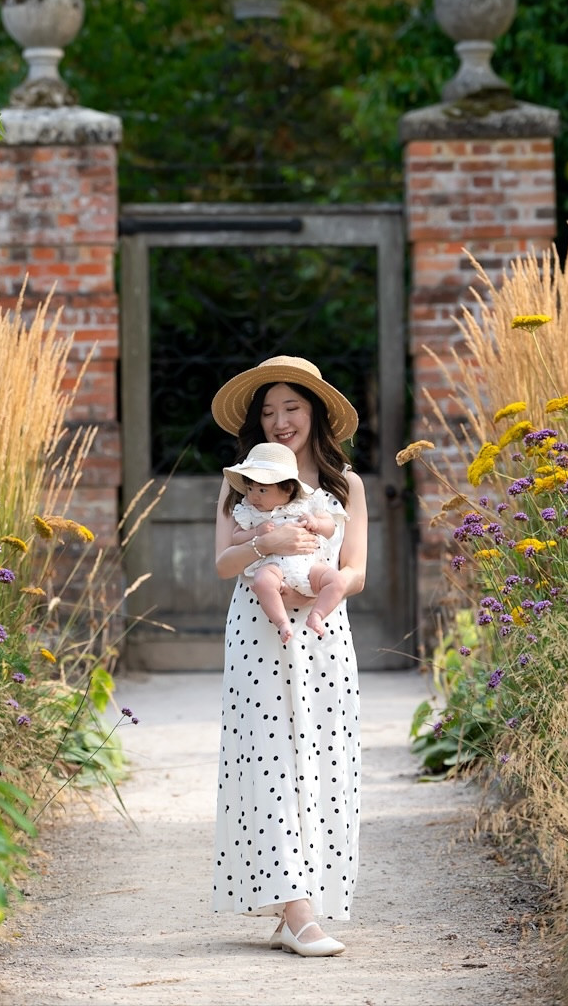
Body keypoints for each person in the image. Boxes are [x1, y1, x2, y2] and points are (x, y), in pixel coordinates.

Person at [210, 356, 368, 958]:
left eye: (292, 409)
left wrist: (317, 591)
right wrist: (265, 542)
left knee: (323, 760)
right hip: (258, 632)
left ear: (316, 415)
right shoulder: (238, 487)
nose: (280, 421)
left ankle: (301, 903)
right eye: (269, 412)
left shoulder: (344, 486)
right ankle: (297, 913)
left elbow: (356, 570)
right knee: (269, 757)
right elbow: (224, 564)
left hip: (324, 636)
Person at [223, 441, 349, 644]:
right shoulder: (251, 512)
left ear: (288, 488)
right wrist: (257, 533)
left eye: (262, 490)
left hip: (309, 568)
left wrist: (316, 523)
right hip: (275, 568)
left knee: (337, 581)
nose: (254, 496)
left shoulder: (305, 504)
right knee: (262, 581)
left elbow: (330, 528)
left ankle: (317, 615)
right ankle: (281, 622)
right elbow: (236, 537)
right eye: (250, 488)